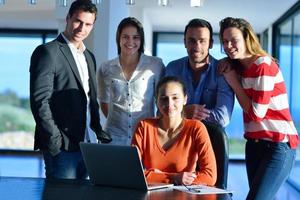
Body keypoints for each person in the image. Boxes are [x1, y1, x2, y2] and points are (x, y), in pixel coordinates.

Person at [30, 0, 111, 179]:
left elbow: (91, 98)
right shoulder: (47, 52)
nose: (82, 28)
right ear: (68, 18)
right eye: (78, 21)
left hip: (88, 144)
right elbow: (39, 102)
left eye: (88, 24)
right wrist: (55, 142)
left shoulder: (89, 56)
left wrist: (97, 132)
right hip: (62, 148)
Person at [219, 17, 298, 200]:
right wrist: (230, 67)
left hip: (278, 145)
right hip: (254, 145)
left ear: (247, 38)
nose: (229, 45)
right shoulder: (239, 67)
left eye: (234, 40)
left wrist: (233, 81)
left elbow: (256, 114)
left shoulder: (263, 65)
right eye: (224, 41)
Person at [131, 76, 217, 186]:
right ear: (156, 100)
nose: (169, 104)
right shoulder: (144, 127)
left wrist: (154, 176)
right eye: (163, 98)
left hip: (185, 196)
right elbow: (133, 173)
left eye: (175, 98)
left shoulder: (196, 128)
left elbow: (210, 176)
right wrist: (174, 178)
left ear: (185, 99)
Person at [97, 17, 164, 146]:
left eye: (136, 37)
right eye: (125, 37)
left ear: (141, 39)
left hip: (144, 136)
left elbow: (161, 101)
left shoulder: (155, 65)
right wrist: (120, 123)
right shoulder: (105, 68)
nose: (130, 42)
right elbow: (104, 103)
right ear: (118, 38)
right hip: (113, 137)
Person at [165, 18, 234, 128]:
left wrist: (182, 113)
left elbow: (223, 118)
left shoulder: (222, 70)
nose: (197, 47)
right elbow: (161, 111)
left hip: (211, 140)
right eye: (192, 41)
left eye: (202, 41)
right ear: (185, 42)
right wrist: (184, 112)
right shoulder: (172, 69)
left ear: (210, 43)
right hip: (177, 139)